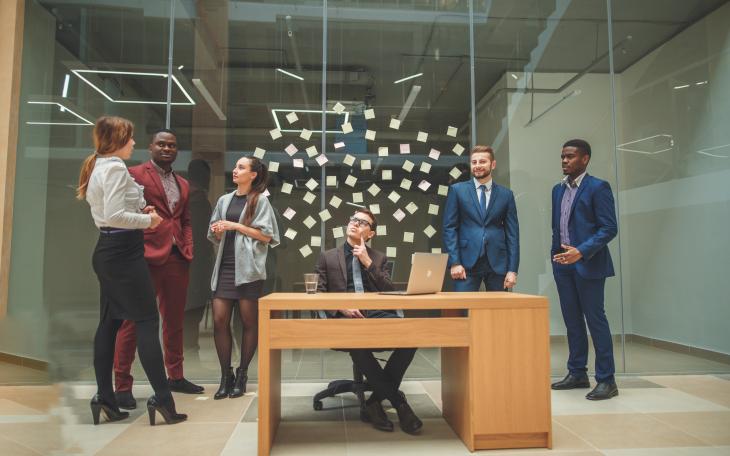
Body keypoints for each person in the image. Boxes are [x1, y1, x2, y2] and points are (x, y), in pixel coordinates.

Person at [77, 116, 186, 426]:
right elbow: (113, 215)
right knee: (148, 322)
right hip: (123, 254)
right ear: (119, 139)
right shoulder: (112, 167)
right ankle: (163, 399)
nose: (135, 143)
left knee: (110, 322)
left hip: (109, 251)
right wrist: (147, 221)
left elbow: (110, 212)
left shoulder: (99, 165)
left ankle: (105, 398)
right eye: (131, 138)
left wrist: (140, 211)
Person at [113, 129, 204, 410]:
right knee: (133, 321)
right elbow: (122, 211)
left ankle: (175, 376)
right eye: (161, 144)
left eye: (172, 145)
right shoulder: (135, 174)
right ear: (151, 146)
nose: (167, 148)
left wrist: (187, 245)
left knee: (174, 320)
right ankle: (122, 385)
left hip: (177, 257)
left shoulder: (184, 184)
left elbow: (186, 219)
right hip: (145, 255)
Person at [315, 209, 423, 435]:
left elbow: (390, 292)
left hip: (373, 314)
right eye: (353, 219)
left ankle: (374, 402)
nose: (355, 223)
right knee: (357, 342)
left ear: (370, 233)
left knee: (412, 338)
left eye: (362, 222)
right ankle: (400, 405)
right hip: (345, 318)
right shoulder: (328, 256)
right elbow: (319, 293)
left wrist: (367, 262)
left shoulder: (378, 257)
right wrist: (341, 308)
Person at [550, 139, 619, 400]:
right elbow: (557, 227)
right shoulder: (558, 190)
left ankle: (607, 380)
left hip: (589, 263)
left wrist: (581, 251)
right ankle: (577, 372)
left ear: (585, 159)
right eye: (563, 157)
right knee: (572, 321)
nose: (564, 161)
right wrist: (557, 255)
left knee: (595, 321)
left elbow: (609, 228)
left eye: (570, 156)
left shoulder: (598, 187)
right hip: (563, 266)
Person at [208, 156, 280, 400]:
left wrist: (234, 226)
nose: (235, 171)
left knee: (249, 323)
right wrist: (219, 231)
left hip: (248, 269)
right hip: (226, 265)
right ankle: (225, 375)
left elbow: (267, 236)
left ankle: (242, 374)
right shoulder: (224, 200)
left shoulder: (260, 201)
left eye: (241, 167)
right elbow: (214, 232)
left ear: (254, 175)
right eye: (235, 166)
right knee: (219, 320)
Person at [442, 145, 520, 291]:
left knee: (497, 311)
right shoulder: (457, 191)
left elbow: (513, 235)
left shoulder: (506, 195)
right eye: (474, 162)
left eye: (482, 162)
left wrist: (512, 270)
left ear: (493, 164)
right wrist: (454, 262)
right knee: (465, 309)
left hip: (497, 262)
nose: (477, 166)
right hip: (465, 263)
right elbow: (449, 228)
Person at [183, 159, 214, 364]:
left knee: (191, 310)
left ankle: (190, 351)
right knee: (190, 311)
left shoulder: (194, 197)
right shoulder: (194, 199)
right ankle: (189, 353)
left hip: (196, 264)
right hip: (193, 263)